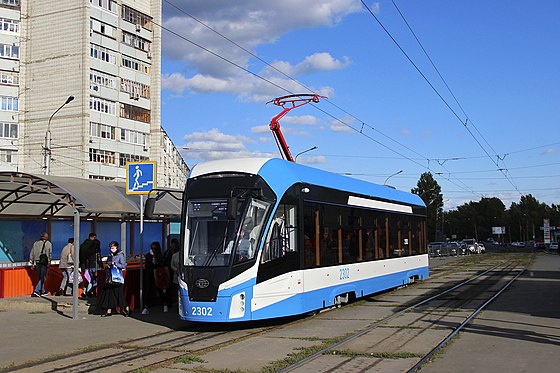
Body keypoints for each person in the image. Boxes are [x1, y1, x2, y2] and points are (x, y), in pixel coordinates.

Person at [98, 241, 129, 317]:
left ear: (116, 247)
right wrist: (107, 265)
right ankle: (109, 310)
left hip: (116, 277)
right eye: (111, 248)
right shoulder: (109, 255)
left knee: (118, 293)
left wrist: (114, 263)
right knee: (109, 293)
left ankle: (125, 308)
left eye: (113, 248)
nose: (112, 249)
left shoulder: (120, 255)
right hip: (109, 276)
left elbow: (123, 265)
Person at [142, 241, 171, 315]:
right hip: (151, 274)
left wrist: (157, 261)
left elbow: (163, 264)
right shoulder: (148, 255)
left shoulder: (160, 255)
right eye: (152, 248)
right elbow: (147, 265)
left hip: (159, 274)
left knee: (161, 289)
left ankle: (165, 304)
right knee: (149, 290)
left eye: (155, 248)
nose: (153, 250)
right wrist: (152, 262)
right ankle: (146, 306)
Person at [29, 232, 52, 297]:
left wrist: (32, 263)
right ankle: (36, 291)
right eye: (47, 236)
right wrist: (49, 261)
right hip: (44, 262)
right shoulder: (48, 243)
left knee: (40, 277)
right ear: (45, 237)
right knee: (43, 277)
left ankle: (43, 291)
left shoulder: (35, 243)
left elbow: (32, 253)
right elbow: (49, 253)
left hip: (37, 262)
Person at [79, 232, 101, 298]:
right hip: (92, 265)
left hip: (84, 265)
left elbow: (80, 255)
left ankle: (85, 291)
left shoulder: (83, 245)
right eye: (94, 237)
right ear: (91, 237)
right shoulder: (94, 247)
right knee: (93, 281)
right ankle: (88, 292)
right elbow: (97, 258)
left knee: (87, 279)